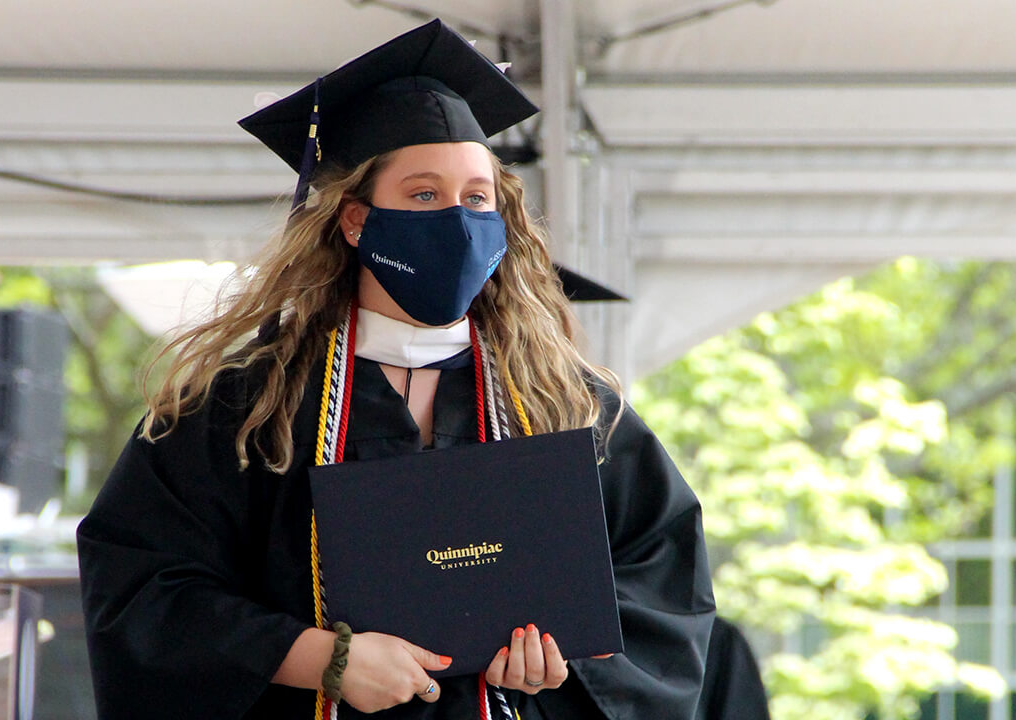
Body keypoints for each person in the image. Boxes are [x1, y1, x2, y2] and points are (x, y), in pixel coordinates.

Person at [78, 19, 716, 720]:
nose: (457, 219)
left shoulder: (566, 403)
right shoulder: (243, 406)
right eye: (422, 195)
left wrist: (569, 661)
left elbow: (661, 579)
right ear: (355, 221)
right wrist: (319, 659)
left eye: (477, 198)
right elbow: (143, 589)